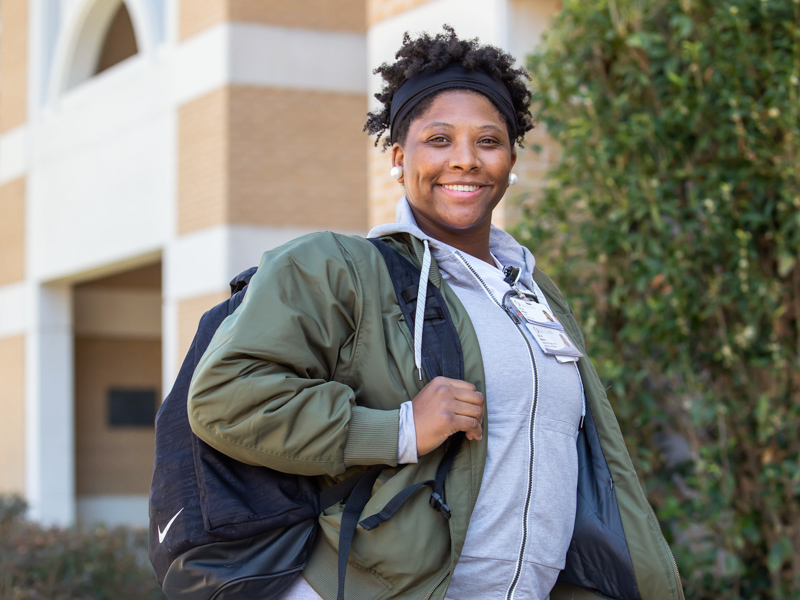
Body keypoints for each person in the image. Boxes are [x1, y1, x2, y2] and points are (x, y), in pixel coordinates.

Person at [187, 26, 683, 600]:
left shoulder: (533, 290)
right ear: (400, 157)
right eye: (440, 139)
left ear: (512, 158)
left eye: (489, 141)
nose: (466, 161)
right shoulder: (338, 269)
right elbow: (225, 396)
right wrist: (398, 429)